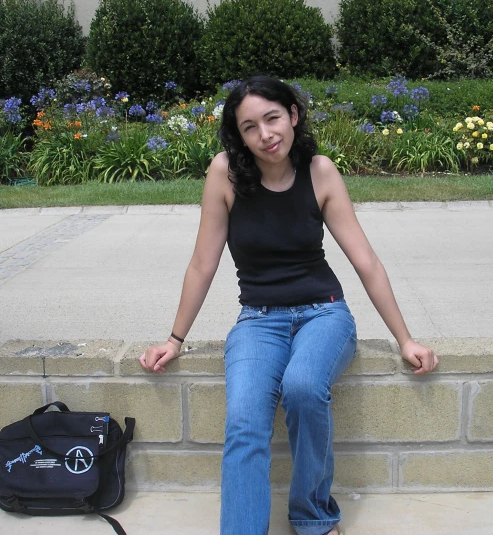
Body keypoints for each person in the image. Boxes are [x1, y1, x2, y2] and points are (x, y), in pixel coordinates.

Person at [139, 75, 439, 535]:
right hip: (258, 321)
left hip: (325, 313)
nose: (266, 134)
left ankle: (314, 517)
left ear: (293, 115)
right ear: (238, 135)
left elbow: (366, 261)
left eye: (273, 118)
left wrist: (405, 339)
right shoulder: (225, 173)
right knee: (243, 419)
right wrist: (174, 339)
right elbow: (203, 263)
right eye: (250, 126)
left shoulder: (320, 171)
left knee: (302, 387)